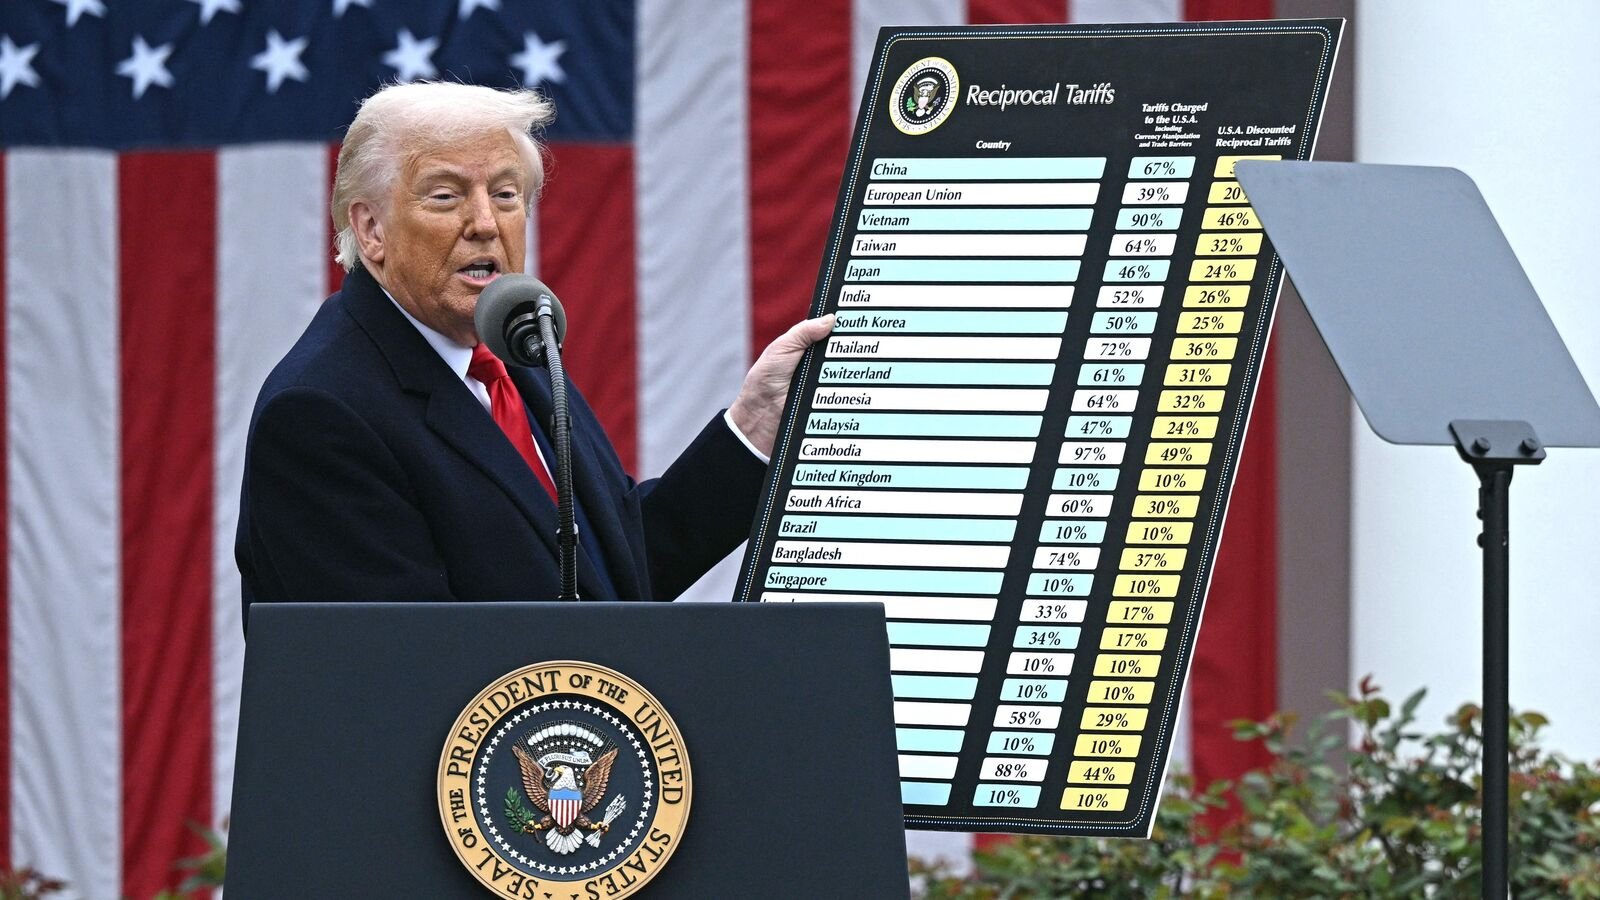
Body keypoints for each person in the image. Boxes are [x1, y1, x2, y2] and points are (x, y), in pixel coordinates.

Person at [236, 82, 830, 625]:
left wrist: (753, 427)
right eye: (445, 196)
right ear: (371, 230)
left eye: (505, 194)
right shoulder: (320, 413)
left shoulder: (512, 351)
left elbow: (609, 573)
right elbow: (401, 673)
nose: (485, 223)